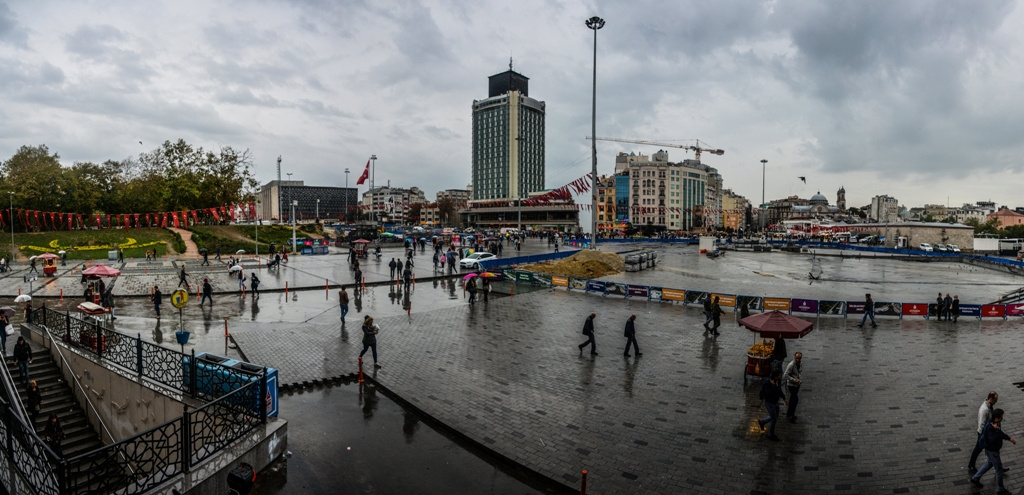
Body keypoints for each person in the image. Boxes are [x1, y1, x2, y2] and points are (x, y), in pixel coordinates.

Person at [970, 408, 1016, 493]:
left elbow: (1000, 433)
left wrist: (1009, 438)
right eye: (1001, 416)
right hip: (992, 451)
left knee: (989, 464)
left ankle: (975, 478)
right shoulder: (991, 426)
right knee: (999, 470)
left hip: (992, 451)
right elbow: (993, 439)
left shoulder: (995, 423)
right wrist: (997, 430)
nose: (1002, 418)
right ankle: (1001, 489)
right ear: (997, 417)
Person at [969, 391, 999, 474]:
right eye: (995, 400)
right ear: (991, 399)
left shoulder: (989, 406)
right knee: (978, 449)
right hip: (983, 433)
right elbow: (981, 424)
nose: (996, 401)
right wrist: (985, 435)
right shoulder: (985, 409)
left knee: (990, 450)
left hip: (986, 432)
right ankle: (971, 466)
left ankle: (998, 466)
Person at [757, 371, 788, 441]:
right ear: (775, 376)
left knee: (775, 416)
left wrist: (784, 398)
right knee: (774, 419)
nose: (780, 376)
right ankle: (771, 434)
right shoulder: (767, 382)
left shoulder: (778, 381)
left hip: (775, 402)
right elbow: (766, 393)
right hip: (769, 403)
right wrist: (772, 386)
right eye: (779, 375)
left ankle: (762, 422)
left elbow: (779, 390)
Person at [784, 352, 803, 422]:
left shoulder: (800, 364)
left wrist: (800, 379)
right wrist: (794, 380)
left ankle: (791, 413)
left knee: (793, 399)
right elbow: (785, 375)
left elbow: (800, 372)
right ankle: (790, 414)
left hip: (797, 385)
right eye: (797, 358)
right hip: (791, 385)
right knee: (795, 399)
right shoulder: (791, 365)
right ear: (794, 357)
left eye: (799, 358)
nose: (798, 359)